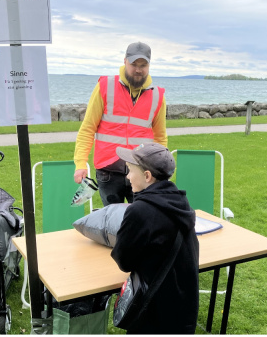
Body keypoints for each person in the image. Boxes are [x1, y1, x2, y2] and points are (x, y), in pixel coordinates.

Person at [111, 143, 199, 334]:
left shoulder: (139, 210)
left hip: (152, 311)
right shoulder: (181, 202)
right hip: (183, 307)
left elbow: (124, 261)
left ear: (147, 176)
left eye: (130, 170)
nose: (127, 176)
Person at [72, 42, 167, 205]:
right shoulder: (105, 86)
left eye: (143, 65)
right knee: (110, 221)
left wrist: (161, 170)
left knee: (141, 222)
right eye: (134, 64)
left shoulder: (157, 95)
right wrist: (80, 163)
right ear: (125, 61)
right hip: (108, 171)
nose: (138, 70)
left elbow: (160, 138)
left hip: (142, 171)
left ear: (149, 65)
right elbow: (88, 129)